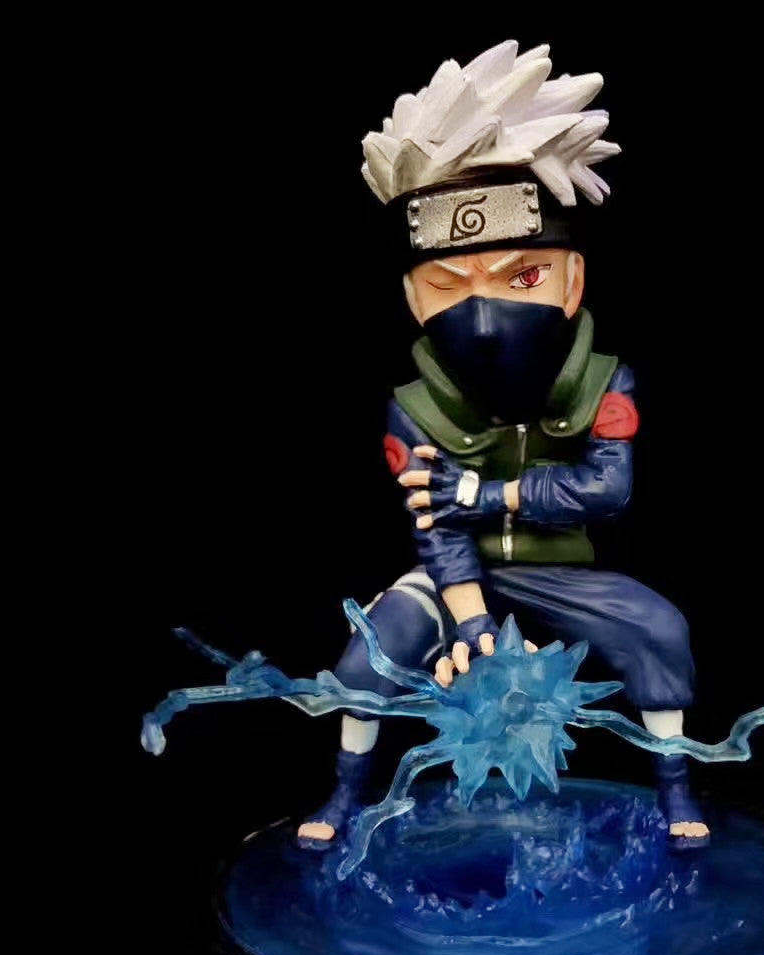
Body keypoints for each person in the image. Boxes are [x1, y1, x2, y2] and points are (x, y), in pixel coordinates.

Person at [293, 40, 709, 853]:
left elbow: (608, 489)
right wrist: (472, 621)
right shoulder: (414, 408)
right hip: (459, 578)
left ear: (571, 282)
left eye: (521, 278)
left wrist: (490, 495)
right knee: (364, 664)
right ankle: (344, 792)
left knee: (659, 632)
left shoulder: (605, 384)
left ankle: (678, 787)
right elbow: (436, 526)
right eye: (451, 286)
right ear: (417, 301)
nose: (483, 315)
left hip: (563, 571)